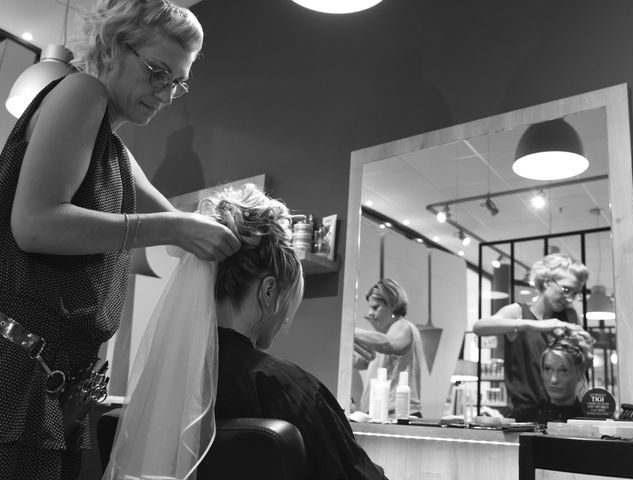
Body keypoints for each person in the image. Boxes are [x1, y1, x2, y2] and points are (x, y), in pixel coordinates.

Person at [0, 1, 241, 479]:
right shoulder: (81, 91)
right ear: (112, 49)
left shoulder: (114, 148)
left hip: (56, 382)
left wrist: (222, 232)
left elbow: (174, 217)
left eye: (178, 82)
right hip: (18, 371)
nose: (167, 94)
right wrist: (173, 230)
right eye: (157, 72)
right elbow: (35, 224)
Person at [104, 183, 388, 480]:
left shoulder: (165, 379)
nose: (286, 321)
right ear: (268, 292)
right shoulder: (292, 389)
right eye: (287, 303)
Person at [472, 253, 589, 422]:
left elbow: (578, 371)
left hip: (566, 418)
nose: (570, 298)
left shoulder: (569, 316)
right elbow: (479, 327)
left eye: (575, 293)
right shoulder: (518, 312)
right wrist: (532, 324)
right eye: (566, 289)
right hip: (527, 420)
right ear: (547, 280)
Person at [354, 278, 424, 417]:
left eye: (375, 307)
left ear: (392, 304)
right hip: (380, 415)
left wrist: (349, 329)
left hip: (398, 415)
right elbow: (363, 363)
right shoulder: (384, 336)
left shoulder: (403, 326)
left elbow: (389, 344)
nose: (370, 313)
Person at [537, 329, 595, 423]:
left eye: (563, 370)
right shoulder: (529, 418)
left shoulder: (590, 421)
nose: (553, 380)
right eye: (548, 369)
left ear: (579, 373)